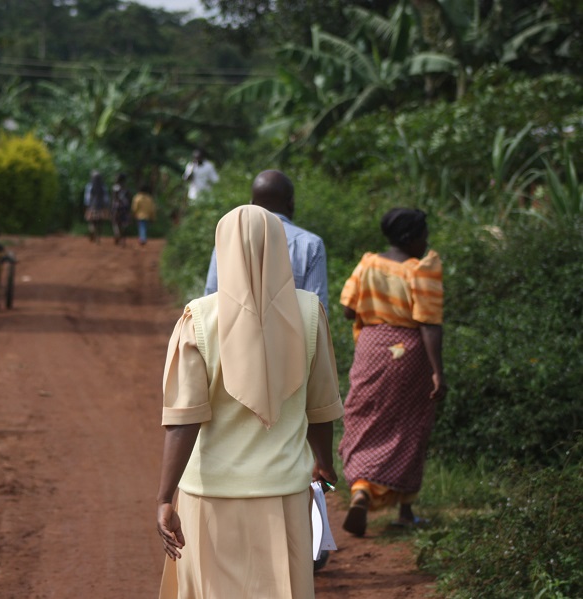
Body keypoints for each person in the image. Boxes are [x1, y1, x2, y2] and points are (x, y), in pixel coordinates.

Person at [156, 205, 343, 598]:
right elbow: (321, 407)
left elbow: (184, 420)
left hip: (209, 496)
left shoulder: (199, 318)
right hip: (284, 491)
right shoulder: (310, 312)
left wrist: (164, 497)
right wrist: (323, 462)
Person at [338, 207, 446, 537]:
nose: (426, 242)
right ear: (409, 238)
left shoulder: (368, 263)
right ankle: (405, 510)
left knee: (365, 417)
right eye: (423, 235)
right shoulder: (422, 270)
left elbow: (347, 309)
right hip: (409, 353)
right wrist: (438, 372)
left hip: (371, 348)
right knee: (410, 424)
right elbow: (429, 324)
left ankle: (361, 489)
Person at [204, 169, 329, 312]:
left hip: (234, 334)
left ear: (251, 204)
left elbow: (211, 299)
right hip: (292, 334)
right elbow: (317, 312)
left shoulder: (228, 241)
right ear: (291, 203)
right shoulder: (311, 244)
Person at [83, 170, 110, 242]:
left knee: (92, 222)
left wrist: (87, 206)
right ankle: (98, 236)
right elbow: (106, 198)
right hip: (101, 207)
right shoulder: (103, 187)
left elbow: (87, 198)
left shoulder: (89, 186)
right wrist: (106, 206)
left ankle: (93, 231)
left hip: (92, 206)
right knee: (100, 223)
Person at [110, 172, 132, 246]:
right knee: (124, 223)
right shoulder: (127, 188)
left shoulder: (115, 188)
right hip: (125, 207)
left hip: (117, 207)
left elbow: (115, 198)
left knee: (116, 222)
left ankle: (117, 234)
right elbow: (129, 198)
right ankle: (123, 239)